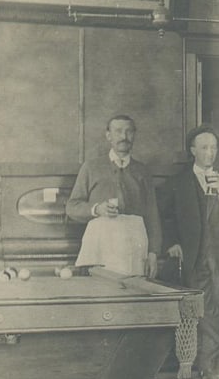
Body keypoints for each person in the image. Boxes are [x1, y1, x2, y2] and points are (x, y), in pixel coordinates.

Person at [162, 125, 219, 379]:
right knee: (204, 309)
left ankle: (208, 366)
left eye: (213, 148)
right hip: (195, 255)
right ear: (192, 151)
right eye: (204, 147)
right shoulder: (178, 182)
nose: (210, 153)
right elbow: (165, 216)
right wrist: (172, 241)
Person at [66, 114, 161, 278]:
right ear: (108, 135)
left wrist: (153, 253)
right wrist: (96, 209)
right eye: (118, 131)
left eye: (129, 132)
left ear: (134, 135)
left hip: (135, 242)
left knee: (134, 294)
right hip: (102, 243)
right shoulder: (91, 167)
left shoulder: (142, 171)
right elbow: (72, 207)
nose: (124, 137)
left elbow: (152, 215)